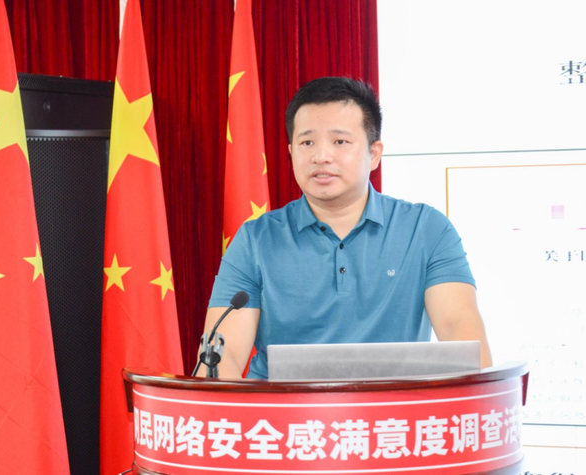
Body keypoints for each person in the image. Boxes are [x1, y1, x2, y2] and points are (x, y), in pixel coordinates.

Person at [200, 77, 492, 379]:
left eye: (340, 142)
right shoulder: (256, 239)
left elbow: (459, 329)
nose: (321, 156)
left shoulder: (425, 229)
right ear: (291, 152)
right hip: (280, 408)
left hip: (394, 407)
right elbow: (223, 353)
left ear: (374, 154)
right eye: (307, 143)